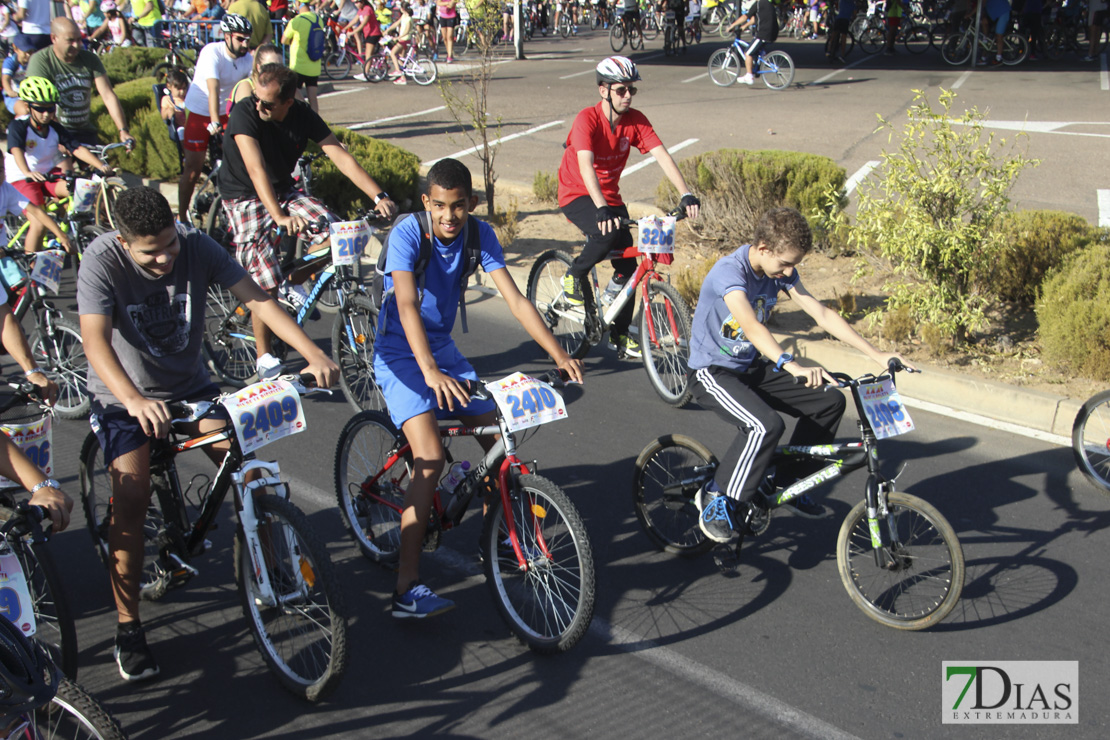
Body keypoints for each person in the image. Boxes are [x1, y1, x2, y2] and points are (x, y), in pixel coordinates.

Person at [76, 186, 339, 682]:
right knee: (130, 499)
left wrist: (311, 352)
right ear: (122, 240)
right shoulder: (101, 260)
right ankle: (128, 627)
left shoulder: (196, 244)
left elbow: (258, 299)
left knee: (246, 456)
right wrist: (132, 399)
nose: (164, 258)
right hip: (123, 397)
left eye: (169, 244)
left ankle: (270, 552)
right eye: (149, 251)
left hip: (189, 387)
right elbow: (94, 341)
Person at [376, 158, 584, 618]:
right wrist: (429, 372)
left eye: (458, 207)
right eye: (440, 207)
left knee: (495, 432)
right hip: (398, 351)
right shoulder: (408, 234)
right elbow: (406, 304)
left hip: (440, 348)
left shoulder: (479, 235)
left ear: (471, 203)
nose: (449, 217)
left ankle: (505, 537)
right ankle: (406, 588)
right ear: (427, 202)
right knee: (429, 457)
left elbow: (515, 300)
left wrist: (558, 354)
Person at [690, 208, 915, 542]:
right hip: (712, 371)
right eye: (784, 263)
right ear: (763, 248)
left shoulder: (779, 272)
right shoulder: (729, 273)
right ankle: (717, 496)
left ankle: (784, 484)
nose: (789, 270)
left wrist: (877, 354)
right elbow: (751, 327)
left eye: (794, 263)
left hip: (753, 366)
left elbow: (822, 313)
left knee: (828, 403)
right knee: (765, 425)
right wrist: (791, 364)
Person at [218, 63, 398, 378]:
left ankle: (295, 278)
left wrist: (379, 196)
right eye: (257, 98)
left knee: (342, 234)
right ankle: (263, 356)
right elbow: (256, 167)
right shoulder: (245, 113)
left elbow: (340, 155)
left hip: (283, 191)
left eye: (268, 103)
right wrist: (280, 217)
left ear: (290, 101)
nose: (259, 105)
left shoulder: (302, 115)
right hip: (244, 196)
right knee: (264, 283)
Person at [557, 56, 699, 358]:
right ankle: (574, 274)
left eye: (631, 90)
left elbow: (662, 154)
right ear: (603, 90)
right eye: (621, 90)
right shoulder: (587, 119)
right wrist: (600, 207)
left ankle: (620, 335)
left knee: (628, 264)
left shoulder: (635, 120)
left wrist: (686, 193)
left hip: (609, 197)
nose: (627, 96)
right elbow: (585, 165)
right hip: (576, 192)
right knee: (606, 234)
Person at [5, 77, 110, 254]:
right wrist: (27, 172)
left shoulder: (54, 127)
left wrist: (102, 165)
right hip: (23, 177)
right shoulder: (19, 125)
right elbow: (16, 150)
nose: (46, 114)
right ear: (29, 107)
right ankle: (32, 267)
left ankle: (70, 224)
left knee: (78, 189)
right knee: (39, 222)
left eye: (50, 108)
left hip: (47, 175)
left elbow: (76, 148)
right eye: (40, 109)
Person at [177, 14, 254, 223]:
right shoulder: (212, 52)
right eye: (240, 39)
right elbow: (213, 88)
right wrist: (214, 121)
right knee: (193, 170)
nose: (245, 43)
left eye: (248, 39)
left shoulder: (247, 58)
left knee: (244, 158)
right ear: (227, 36)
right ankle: (181, 217)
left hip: (225, 112)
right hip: (202, 113)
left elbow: (250, 87)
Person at [26, 17, 137, 148]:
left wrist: (123, 130)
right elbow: (38, 103)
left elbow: (107, 95)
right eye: (70, 40)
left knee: (100, 166)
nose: (77, 45)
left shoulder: (89, 59)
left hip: (84, 130)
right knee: (64, 167)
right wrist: (57, 136)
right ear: (54, 38)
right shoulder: (40, 61)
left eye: (79, 39)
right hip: (54, 130)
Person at [281, 3, 324, 111]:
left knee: (295, 96)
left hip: (298, 65)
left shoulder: (296, 21)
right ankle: (315, 123)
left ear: (298, 3)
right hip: (314, 65)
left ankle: (304, 115)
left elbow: (283, 40)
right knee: (313, 98)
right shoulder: (318, 19)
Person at [725, 0, 776, 84]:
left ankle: (749, 76)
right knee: (755, 50)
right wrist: (744, 26)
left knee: (748, 53)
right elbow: (755, 19)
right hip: (772, 34)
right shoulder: (768, 4)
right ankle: (758, 66)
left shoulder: (758, 4)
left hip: (763, 34)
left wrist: (733, 25)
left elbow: (745, 16)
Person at [227, 42, 283, 110]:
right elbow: (246, 116)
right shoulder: (246, 86)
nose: (275, 71)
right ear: (258, 67)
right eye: (270, 66)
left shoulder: (282, 85)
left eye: (280, 67)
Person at [1, 33, 34, 118]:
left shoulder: (34, 61)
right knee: (25, 111)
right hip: (14, 97)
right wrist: (10, 91)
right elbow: (6, 79)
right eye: (25, 51)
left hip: (31, 96)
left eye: (30, 51)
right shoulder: (10, 62)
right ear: (16, 49)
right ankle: (14, 127)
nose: (28, 54)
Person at [159, 68, 189, 146]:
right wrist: (169, 111)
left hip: (192, 126)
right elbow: (163, 115)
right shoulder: (167, 100)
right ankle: (186, 153)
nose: (182, 92)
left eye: (184, 88)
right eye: (178, 89)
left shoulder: (188, 98)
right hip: (180, 128)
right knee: (181, 131)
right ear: (169, 86)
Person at [387, 3, 415, 84]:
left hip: (404, 39)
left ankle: (397, 70)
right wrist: (387, 30)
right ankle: (403, 78)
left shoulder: (409, 19)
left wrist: (398, 37)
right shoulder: (404, 16)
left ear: (403, 9)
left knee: (392, 53)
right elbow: (396, 24)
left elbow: (407, 31)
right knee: (400, 58)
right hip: (403, 39)